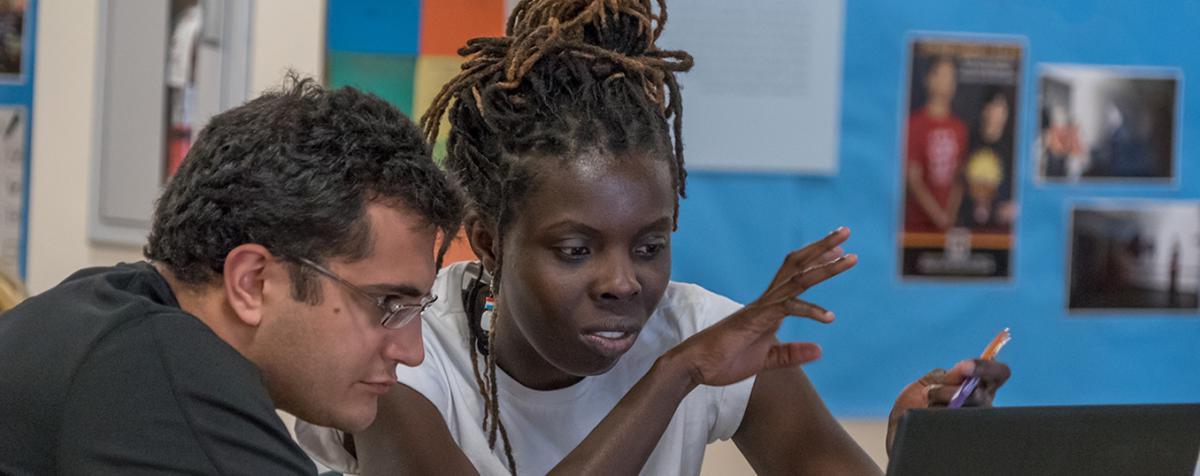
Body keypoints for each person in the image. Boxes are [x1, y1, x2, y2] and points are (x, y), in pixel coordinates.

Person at [299, 2, 1010, 474]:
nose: (623, 281)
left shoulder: (701, 333)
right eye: (576, 250)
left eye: (650, 245)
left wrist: (923, 449)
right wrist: (674, 376)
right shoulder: (400, 358)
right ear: (487, 240)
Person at [0, 76, 463, 473]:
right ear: (252, 282)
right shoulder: (157, 381)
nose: (411, 351)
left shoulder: (104, 311)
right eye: (388, 304)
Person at [905, 55, 967, 232]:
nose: (947, 81)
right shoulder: (914, 124)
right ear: (929, 79)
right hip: (917, 226)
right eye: (942, 75)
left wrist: (949, 216)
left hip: (949, 226)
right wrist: (937, 216)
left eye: (951, 76)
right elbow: (913, 179)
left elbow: (960, 177)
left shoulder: (960, 127)